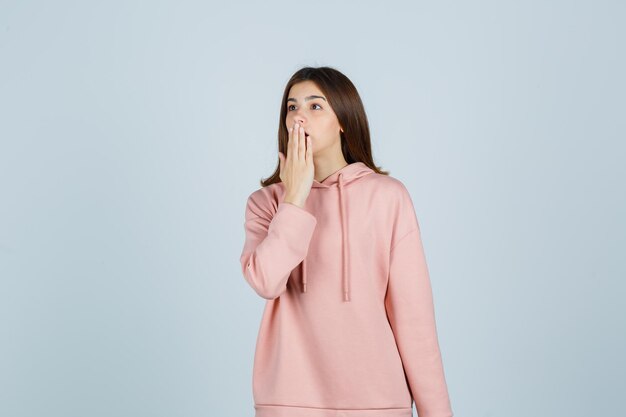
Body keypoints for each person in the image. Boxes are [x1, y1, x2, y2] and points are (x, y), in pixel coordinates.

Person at [239, 66, 453, 417]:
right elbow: (265, 280)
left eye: (315, 106)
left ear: (343, 119)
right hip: (289, 400)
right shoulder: (266, 203)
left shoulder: (388, 198)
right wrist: (294, 196)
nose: (299, 118)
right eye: (291, 108)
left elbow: (415, 322)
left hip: (377, 402)